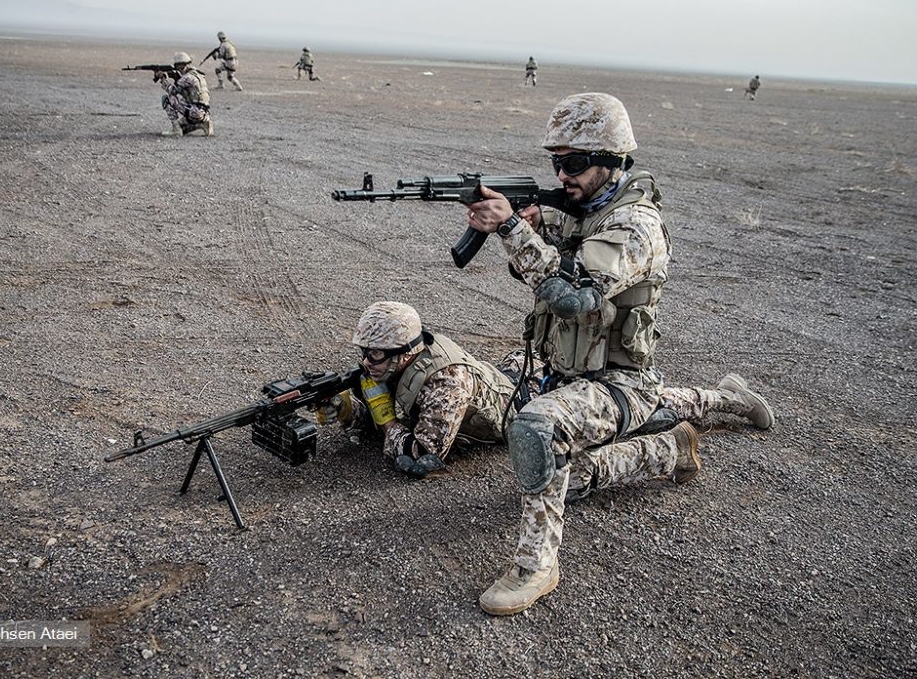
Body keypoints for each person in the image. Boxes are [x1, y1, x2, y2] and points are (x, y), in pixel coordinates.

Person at [463, 92, 774, 615]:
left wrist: (514, 230)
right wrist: (530, 231)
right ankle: (680, 439)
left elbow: (574, 294)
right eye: (557, 162)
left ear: (612, 161)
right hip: (573, 375)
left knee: (538, 431)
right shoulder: (580, 210)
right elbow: (536, 278)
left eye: (575, 163)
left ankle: (537, 565)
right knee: (570, 478)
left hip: (617, 381)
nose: (563, 174)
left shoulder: (635, 226)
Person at [315, 301, 536, 478]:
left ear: (406, 353)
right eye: (364, 351)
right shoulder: (392, 364)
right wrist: (346, 408)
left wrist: (387, 423)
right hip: (501, 373)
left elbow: (422, 450)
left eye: (376, 354)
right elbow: (391, 412)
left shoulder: (446, 384)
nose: (365, 362)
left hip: (527, 396)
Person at [155, 52, 213, 137]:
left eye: (179, 66)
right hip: (205, 113)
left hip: (194, 113)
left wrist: (163, 79)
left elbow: (172, 90)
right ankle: (204, 124)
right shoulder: (198, 74)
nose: (178, 69)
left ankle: (176, 130)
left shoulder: (187, 78)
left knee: (166, 99)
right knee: (183, 125)